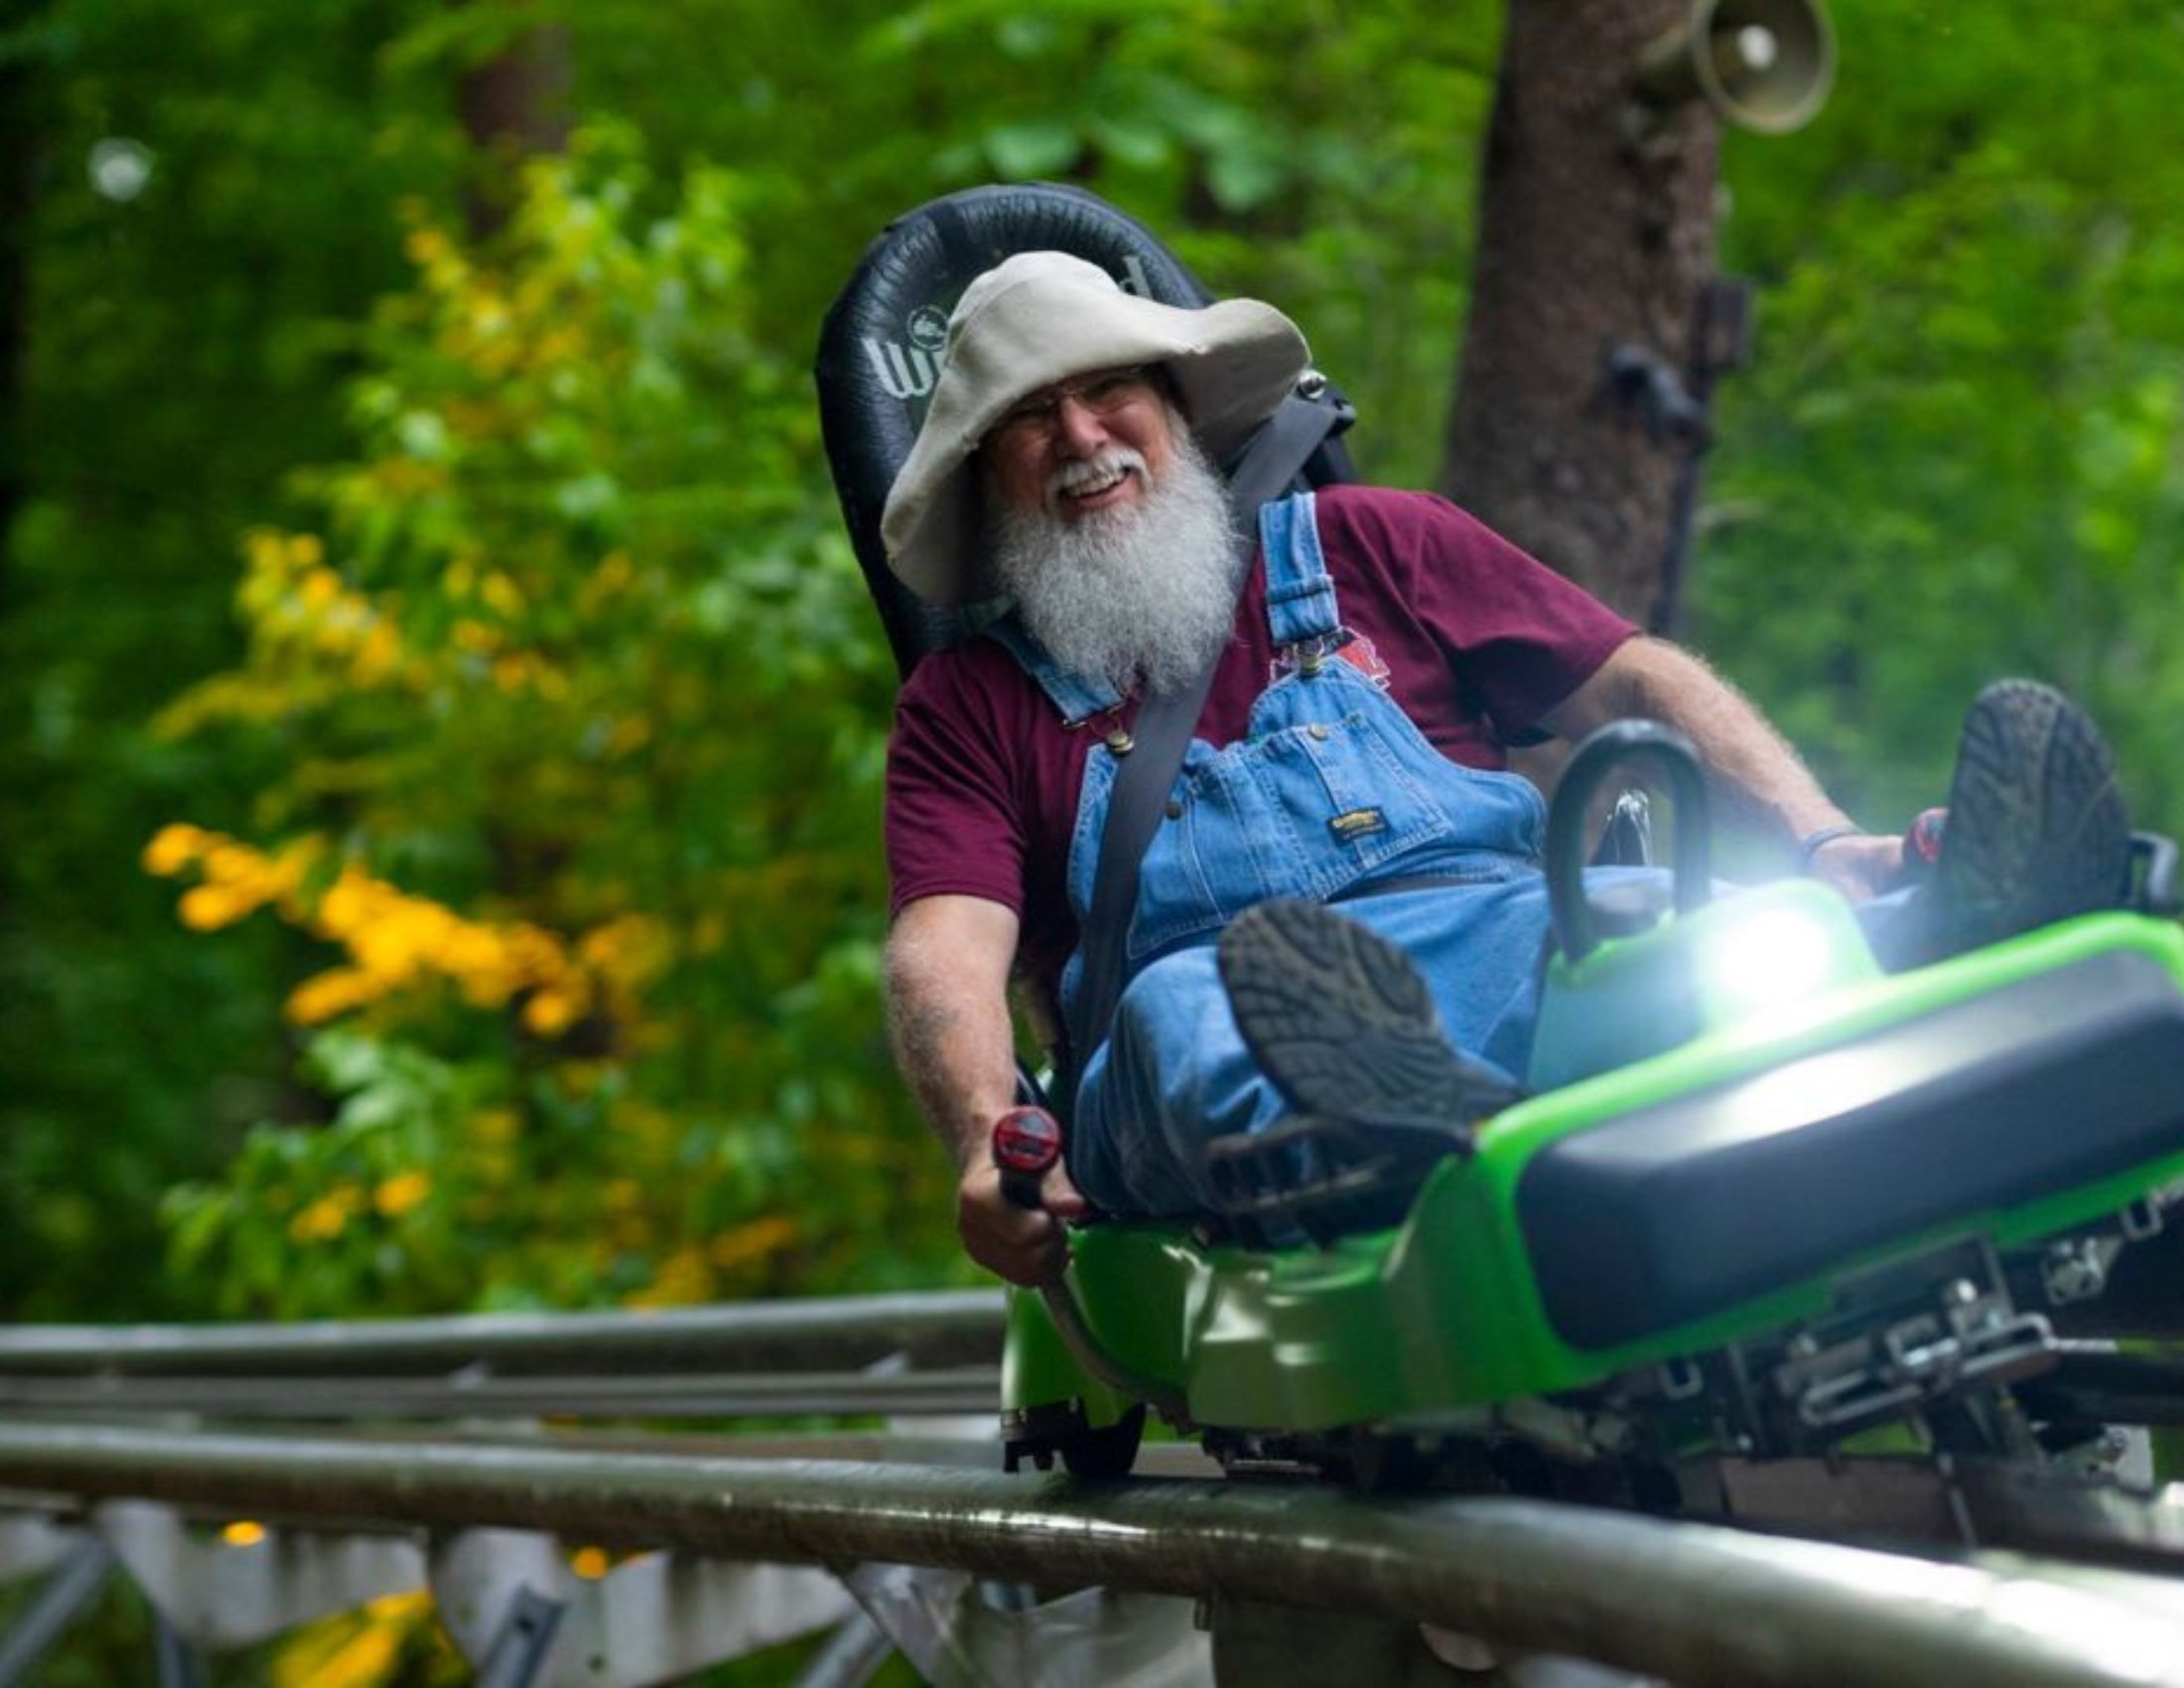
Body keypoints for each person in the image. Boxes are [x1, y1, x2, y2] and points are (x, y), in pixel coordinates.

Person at [879, 251, 2132, 1287]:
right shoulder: (969, 704)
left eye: (1109, 394)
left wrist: (1819, 842)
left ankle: (1960, 951)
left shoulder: (1376, 546)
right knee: (1186, 1017)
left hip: (1514, 958)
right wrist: (996, 1145)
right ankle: (1385, 1135)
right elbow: (946, 947)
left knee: (1701, 930)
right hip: (1200, 1051)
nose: (1083, 438)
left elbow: (1641, 681)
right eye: (1033, 422)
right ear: (989, 480)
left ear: (1176, 407)